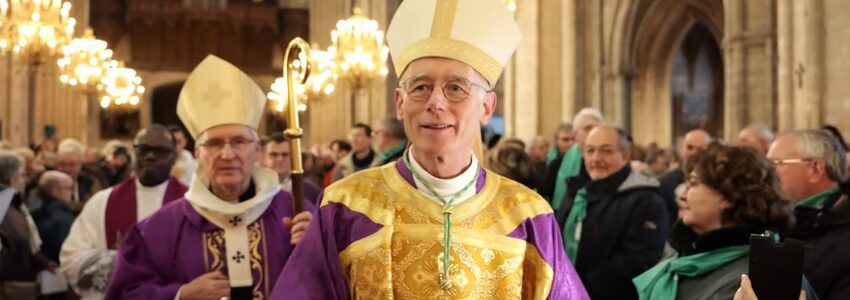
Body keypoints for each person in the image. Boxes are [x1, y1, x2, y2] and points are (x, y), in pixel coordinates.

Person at [271, 0, 588, 298]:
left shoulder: (528, 216)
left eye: (456, 88)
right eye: (420, 87)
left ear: (487, 107)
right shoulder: (347, 206)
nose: (436, 102)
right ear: (400, 102)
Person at [104, 55, 313, 300]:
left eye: (239, 141)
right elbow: (125, 293)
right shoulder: (158, 230)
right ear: (197, 154)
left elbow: (339, 282)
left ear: (257, 150)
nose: (227, 154)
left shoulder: (296, 214)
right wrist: (180, 295)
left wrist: (319, 248)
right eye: (214, 143)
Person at [633, 143, 814, 300]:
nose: (683, 196)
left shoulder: (762, 277)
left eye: (694, 184)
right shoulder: (683, 257)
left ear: (727, 196)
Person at [59, 125, 188, 299]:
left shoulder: (192, 205)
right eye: (143, 150)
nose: (150, 157)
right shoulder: (103, 202)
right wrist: (122, 265)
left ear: (174, 156)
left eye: (160, 151)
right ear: (134, 154)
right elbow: (71, 256)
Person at [556, 126, 668, 299]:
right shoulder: (577, 192)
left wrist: (581, 288)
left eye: (606, 151)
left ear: (625, 155)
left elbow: (637, 262)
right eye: (589, 150)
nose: (595, 158)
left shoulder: (645, 201)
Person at [768, 130, 850, 299]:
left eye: (777, 163)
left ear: (815, 169)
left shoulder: (842, 234)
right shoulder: (775, 219)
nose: (766, 173)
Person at [0, 151, 52, 300]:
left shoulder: (13, 204)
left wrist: (43, 262)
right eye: (22, 175)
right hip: (9, 288)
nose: (25, 180)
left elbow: (25, 243)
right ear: (12, 178)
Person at [658, 129, 711, 225]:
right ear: (682, 150)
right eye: (690, 147)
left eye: (700, 149)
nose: (694, 152)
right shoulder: (665, 182)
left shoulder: (716, 181)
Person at [263, 132, 321, 205]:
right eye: (274, 154)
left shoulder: (311, 191)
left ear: (293, 157)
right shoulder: (255, 189)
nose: (280, 159)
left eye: (285, 154)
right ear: (264, 157)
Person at [54, 139, 103, 213]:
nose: (66, 169)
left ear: (80, 165)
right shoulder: (50, 183)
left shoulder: (91, 182)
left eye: (71, 164)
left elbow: (97, 206)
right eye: (62, 164)